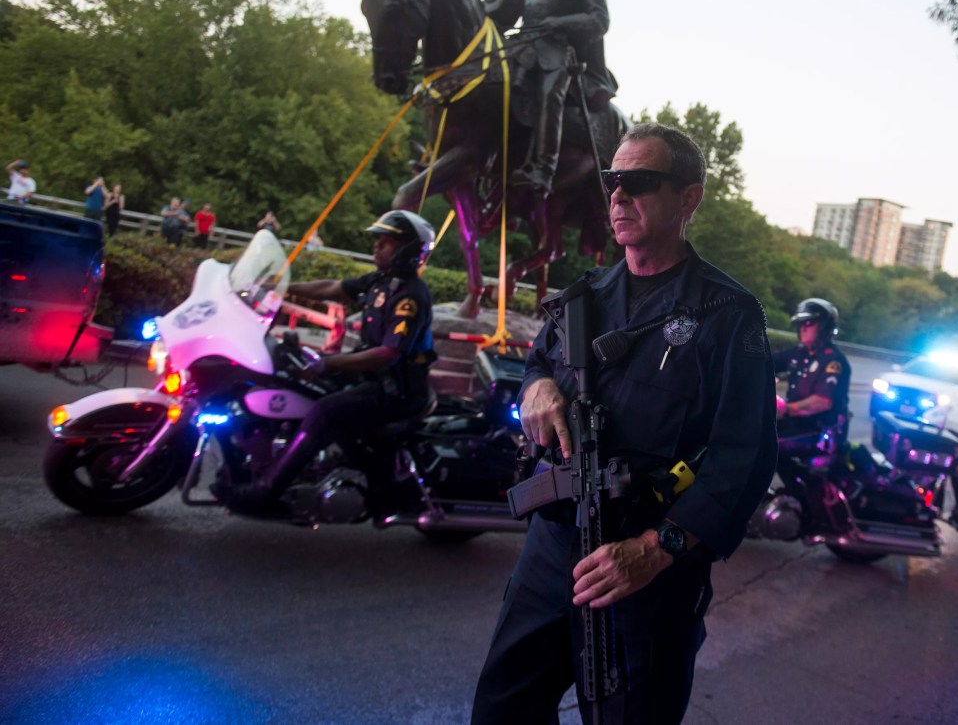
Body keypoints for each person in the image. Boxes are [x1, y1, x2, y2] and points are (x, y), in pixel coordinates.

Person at [471, 123, 777, 724]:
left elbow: (745, 455)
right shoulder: (583, 297)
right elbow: (536, 363)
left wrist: (657, 548)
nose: (617, 197)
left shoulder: (726, 313)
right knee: (501, 711)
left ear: (689, 199)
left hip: (645, 565)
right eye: (613, 182)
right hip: (554, 546)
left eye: (639, 183)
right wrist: (534, 388)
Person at [226, 209, 438, 520]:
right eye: (378, 241)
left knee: (324, 410)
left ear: (407, 250)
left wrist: (330, 363)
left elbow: (388, 354)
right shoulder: (382, 281)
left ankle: (265, 491)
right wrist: (282, 288)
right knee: (300, 387)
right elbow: (333, 288)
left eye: (386, 242)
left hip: (396, 389)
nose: (377, 247)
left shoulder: (411, 296)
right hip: (373, 378)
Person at [506, 0, 616, 192]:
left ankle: (544, 167)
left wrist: (559, 22)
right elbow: (513, 7)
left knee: (550, 89)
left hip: (558, 48)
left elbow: (599, 20)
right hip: (522, 44)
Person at [772, 298, 852, 444]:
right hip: (797, 423)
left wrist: (785, 409)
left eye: (809, 323)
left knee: (764, 448)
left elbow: (822, 402)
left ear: (825, 326)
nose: (803, 327)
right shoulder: (799, 352)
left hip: (820, 433)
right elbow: (767, 362)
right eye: (800, 323)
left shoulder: (834, 360)